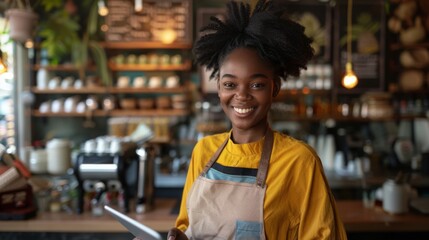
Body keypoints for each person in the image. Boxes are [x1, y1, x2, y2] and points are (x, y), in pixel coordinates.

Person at [159, 0, 347, 239]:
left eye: (256, 84)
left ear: (274, 88)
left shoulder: (299, 162)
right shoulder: (203, 151)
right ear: (219, 89)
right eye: (230, 84)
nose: (241, 95)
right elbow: (188, 226)